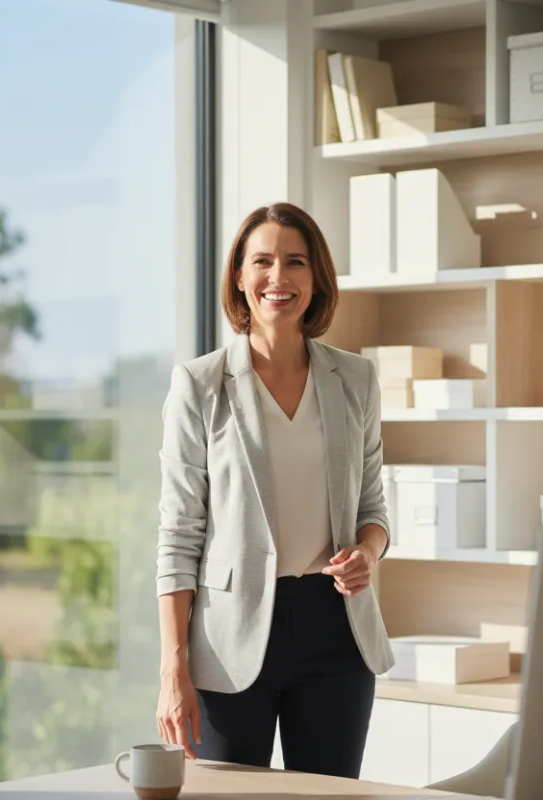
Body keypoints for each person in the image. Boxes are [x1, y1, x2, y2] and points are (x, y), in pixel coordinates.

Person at [154, 202, 395, 780]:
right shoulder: (199, 384)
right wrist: (173, 668)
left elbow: (373, 507)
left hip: (336, 630)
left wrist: (368, 550)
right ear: (239, 275)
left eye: (295, 263)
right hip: (230, 635)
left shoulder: (355, 379)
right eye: (262, 262)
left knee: (333, 798)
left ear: (316, 279)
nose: (278, 278)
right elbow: (178, 535)